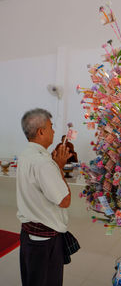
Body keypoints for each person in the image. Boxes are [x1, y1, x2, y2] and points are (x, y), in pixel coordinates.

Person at [16, 108, 72, 286]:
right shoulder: (43, 163)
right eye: (51, 126)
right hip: (44, 242)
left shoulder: (26, 154)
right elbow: (64, 201)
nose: (54, 131)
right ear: (41, 131)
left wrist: (55, 167)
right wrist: (60, 168)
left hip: (29, 235)